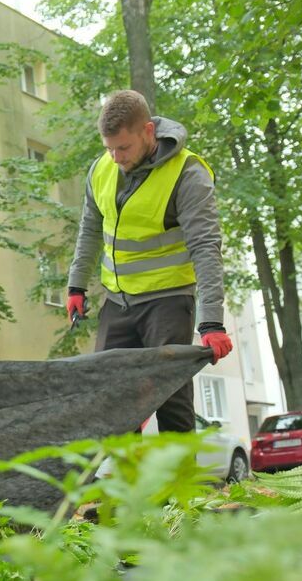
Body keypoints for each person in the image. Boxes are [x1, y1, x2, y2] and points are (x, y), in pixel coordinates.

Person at [66, 90, 232, 433]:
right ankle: (126, 485)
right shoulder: (101, 170)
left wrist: (212, 322)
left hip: (168, 302)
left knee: (170, 398)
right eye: (109, 147)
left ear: (148, 132)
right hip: (117, 301)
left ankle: (182, 487)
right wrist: (76, 285)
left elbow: (205, 246)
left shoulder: (187, 174)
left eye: (123, 148)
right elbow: (89, 230)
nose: (115, 157)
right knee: (111, 400)